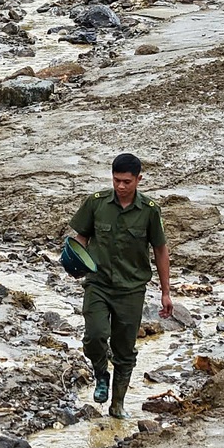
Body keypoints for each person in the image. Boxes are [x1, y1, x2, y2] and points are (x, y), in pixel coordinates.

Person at [69, 153, 172, 419]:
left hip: (131, 289)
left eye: (127, 181)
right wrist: (74, 258)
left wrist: (165, 292)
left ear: (139, 179)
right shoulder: (96, 203)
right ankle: (101, 373)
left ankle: (117, 404)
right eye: (116, 180)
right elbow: (80, 236)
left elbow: (160, 250)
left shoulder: (150, 210)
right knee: (94, 336)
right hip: (98, 283)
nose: (121, 186)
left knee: (124, 349)